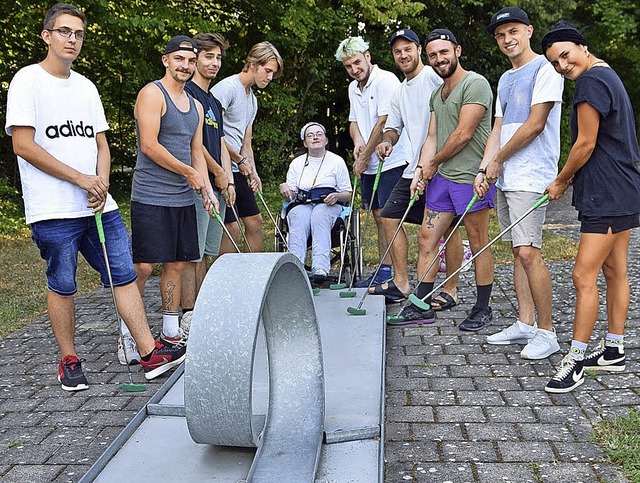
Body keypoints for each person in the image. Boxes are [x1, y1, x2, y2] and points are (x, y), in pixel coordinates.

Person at [5, 3, 187, 391]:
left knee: (125, 274)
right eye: (65, 32)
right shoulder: (27, 81)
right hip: (53, 209)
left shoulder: (86, 86)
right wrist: (81, 179)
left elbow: (101, 144)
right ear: (47, 36)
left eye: (79, 34)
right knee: (63, 283)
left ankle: (148, 353)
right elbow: (23, 145)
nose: (72, 39)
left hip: (98, 206)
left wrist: (100, 184)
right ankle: (69, 359)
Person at [542, 22, 640, 393]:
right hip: (623, 187)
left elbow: (585, 144)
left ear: (582, 47)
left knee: (583, 276)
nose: (562, 66)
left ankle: (576, 360)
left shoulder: (590, 82)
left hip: (608, 192)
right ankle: (613, 350)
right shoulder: (607, 74)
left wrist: (561, 180)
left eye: (565, 55)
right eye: (554, 63)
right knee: (615, 270)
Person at [476, 7, 563, 359]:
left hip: (532, 174)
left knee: (529, 251)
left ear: (528, 31)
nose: (507, 39)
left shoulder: (546, 68)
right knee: (516, 250)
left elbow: (535, 124)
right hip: (507, 175)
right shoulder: (505, 78)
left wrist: (498, 160)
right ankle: (525, 323)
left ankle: (548, 331)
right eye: (500, 35)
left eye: (513, 31)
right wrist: (484, 169)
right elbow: (498, 128)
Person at [131, 36, 218, 349]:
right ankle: (129, 332)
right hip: (151, 194)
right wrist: (189, 173)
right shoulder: (152, 94)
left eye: (191, 61)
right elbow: (149, 145)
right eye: (180, 59)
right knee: (142, 266)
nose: (186, 66)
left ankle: (170, 330)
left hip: (183, 197)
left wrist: (207, 190)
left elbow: (196, 152)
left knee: (177, 265)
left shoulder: (195, 105)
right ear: (166, 60)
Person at [372, 29, 465, 313]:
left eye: (408, 49)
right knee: (389, 217)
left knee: (447, 230)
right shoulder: (400, 90)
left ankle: (450, 288)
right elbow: (394, 126)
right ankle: (401, 283)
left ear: (418, 50)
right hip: (413, 167)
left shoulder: (434, 77)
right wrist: (387, 141)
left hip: (442, 166)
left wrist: (436, 161)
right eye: (397, 51)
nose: (403, 55)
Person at [411, 29, 495, 331]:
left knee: (478, 241)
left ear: (457, 51)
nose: (438, 59)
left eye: (443, 52)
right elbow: (432, 136)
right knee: (426, 238)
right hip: (443, 179)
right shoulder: (438, 93)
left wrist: (433, 162)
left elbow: (464, 133)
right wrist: (422, 169)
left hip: (471, 178)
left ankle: (483, 308)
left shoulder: (475, 84)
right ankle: (422, 303)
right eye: (432, 55)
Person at [335, 36, 408, 288]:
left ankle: (398, 276)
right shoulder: (353, 87)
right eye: (348, 66)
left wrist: (363, 158)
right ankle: (385, 269)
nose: (354, 70)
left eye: (357, 62)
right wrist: (358, 143)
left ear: (367, 55)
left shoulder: (385, 80)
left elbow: (384, 121)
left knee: (390, 218)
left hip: (392, 160)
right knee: (378, 216)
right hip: (370, 161)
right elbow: (354, 122)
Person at [179, 32, 234, 334]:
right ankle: (188, 313)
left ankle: (201, 308)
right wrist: (216, 173)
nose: (214, 63)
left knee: (208, 251)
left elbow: (221, 141)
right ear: (195, 58)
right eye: (208, 56)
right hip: (198, 183)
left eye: (218, 58)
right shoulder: (188, 93)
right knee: (193, 253)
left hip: (218, 185)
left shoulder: (212, 99)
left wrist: (228, 178)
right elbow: (193, 143)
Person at [212, 41, 283, 253]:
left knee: (255, 222)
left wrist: (254, 173)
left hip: (238, 166)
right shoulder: (226, 89)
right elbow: (213, 134)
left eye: (273, 73)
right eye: (267, 71)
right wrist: (238, 160)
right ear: (253, 64)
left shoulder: (252, 99)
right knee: (231, 228)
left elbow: (246, 142)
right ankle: (229, 281)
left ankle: (253, 279)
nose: (270, 77)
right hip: (218, 166)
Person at [279, 122, 352, 282]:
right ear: (305, 143)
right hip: (302, 203)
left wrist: (337, 196)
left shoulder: (337, 161)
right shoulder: (297, 163)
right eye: (310, 135)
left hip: (329, 205)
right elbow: (290, 195)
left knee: (319, 214)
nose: (315, 137)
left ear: (326, 140)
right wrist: (284, 188)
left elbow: (348, 194)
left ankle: (320, 267)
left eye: (319, 134)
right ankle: (294, 268)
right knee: (299, 217)